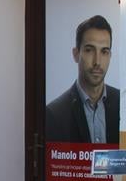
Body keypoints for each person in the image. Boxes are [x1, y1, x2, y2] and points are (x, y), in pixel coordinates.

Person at [45, 15, 120, 143]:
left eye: (104, 52)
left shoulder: (123, 103)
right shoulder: (54, 114)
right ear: (76, 54)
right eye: (89, 50)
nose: (97, 62)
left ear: (110, 56)